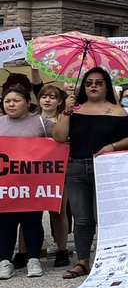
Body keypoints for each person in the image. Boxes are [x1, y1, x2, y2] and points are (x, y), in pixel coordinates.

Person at [51, 67, 128, 278]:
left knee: (106, 217)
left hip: (107, 169)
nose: (93, 86)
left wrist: (113, 146)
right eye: (89, 83)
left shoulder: (118, 112)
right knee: (82, 219)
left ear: (106, 86)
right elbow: (59, 137)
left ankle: (108, 259)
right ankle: (83, 261)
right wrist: (65, 112)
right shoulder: (75, 110)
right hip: (77, 168)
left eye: (99, 83)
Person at [0, 82, 55, 279]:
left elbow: (58, 144)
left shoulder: (41, 122)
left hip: (33, 183)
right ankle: (4, 261)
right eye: (7, 101)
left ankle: (33, 259)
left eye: (16, 100)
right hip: (6, 185)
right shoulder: (0, 122)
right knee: (5, 222)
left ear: (27, 102)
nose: (11, 104)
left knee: (32, 221)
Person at [37, 84, 73, 267]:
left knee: (58, 211)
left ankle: (62, 250)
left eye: (52, 97)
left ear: (60, 101)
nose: (47, 100)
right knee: (31, 212)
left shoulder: (66, 119)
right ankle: (26, 253)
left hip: (59, 171)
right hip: (34, 172)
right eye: (44, 96)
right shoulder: (31, 119)